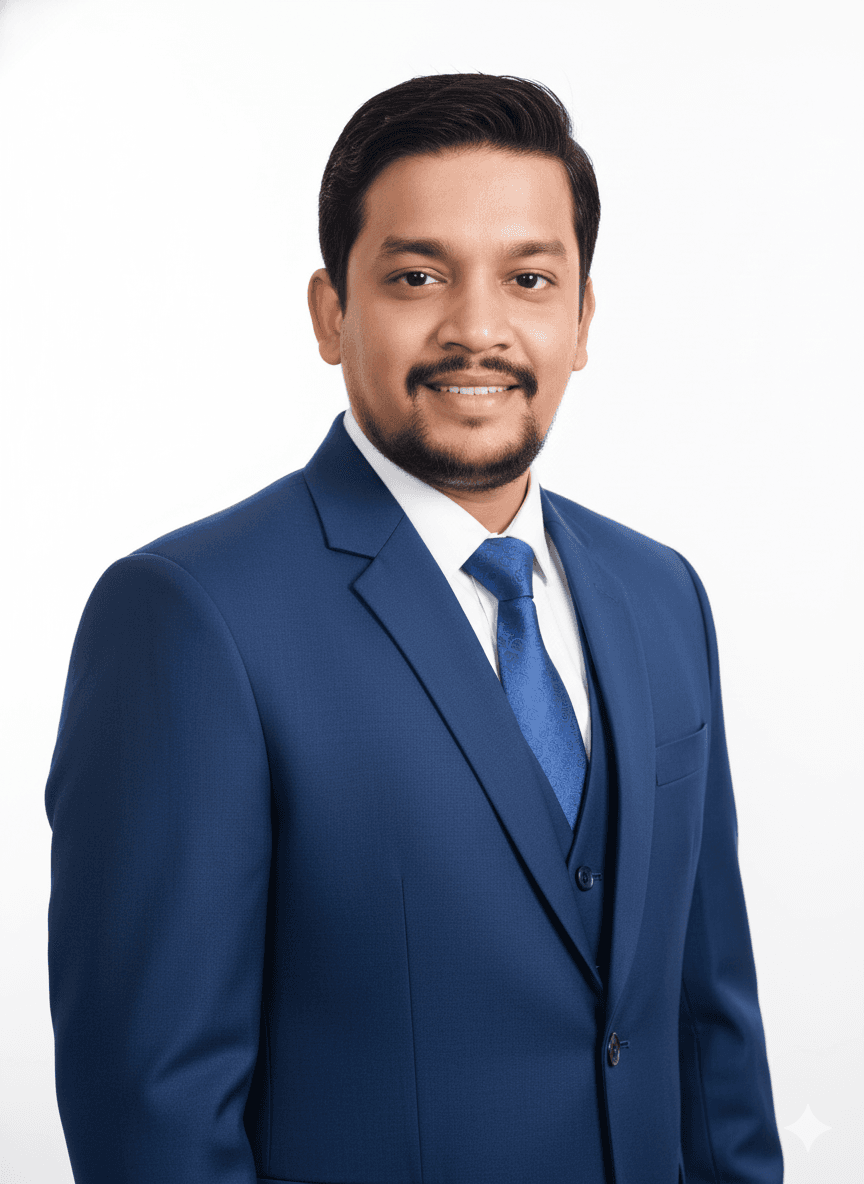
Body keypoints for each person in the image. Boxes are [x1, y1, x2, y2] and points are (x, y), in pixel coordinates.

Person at [45, 73, 783, 1184]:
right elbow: (154, 1112)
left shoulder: (660, 593)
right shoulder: (191, 618)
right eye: (416, 275)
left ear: (582, 320)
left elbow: (709, 1019)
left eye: (530, 278)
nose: (477, 328)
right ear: (332, 311)